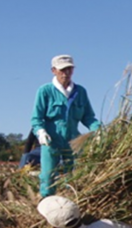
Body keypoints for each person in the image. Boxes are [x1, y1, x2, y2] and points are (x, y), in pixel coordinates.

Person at [31, 55, 101, 198]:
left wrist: (97, 130)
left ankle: (73, 202)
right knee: (48, 175)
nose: (66, 73)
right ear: (54, 70)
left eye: (69, 69)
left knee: (74, 175)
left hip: (73, 140)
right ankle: (47, 203)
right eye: (62, 69)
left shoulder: (80, 91)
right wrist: (41, 132)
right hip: (51, 140)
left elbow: (88, 117)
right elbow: (36, 118)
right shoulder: (45, 91)